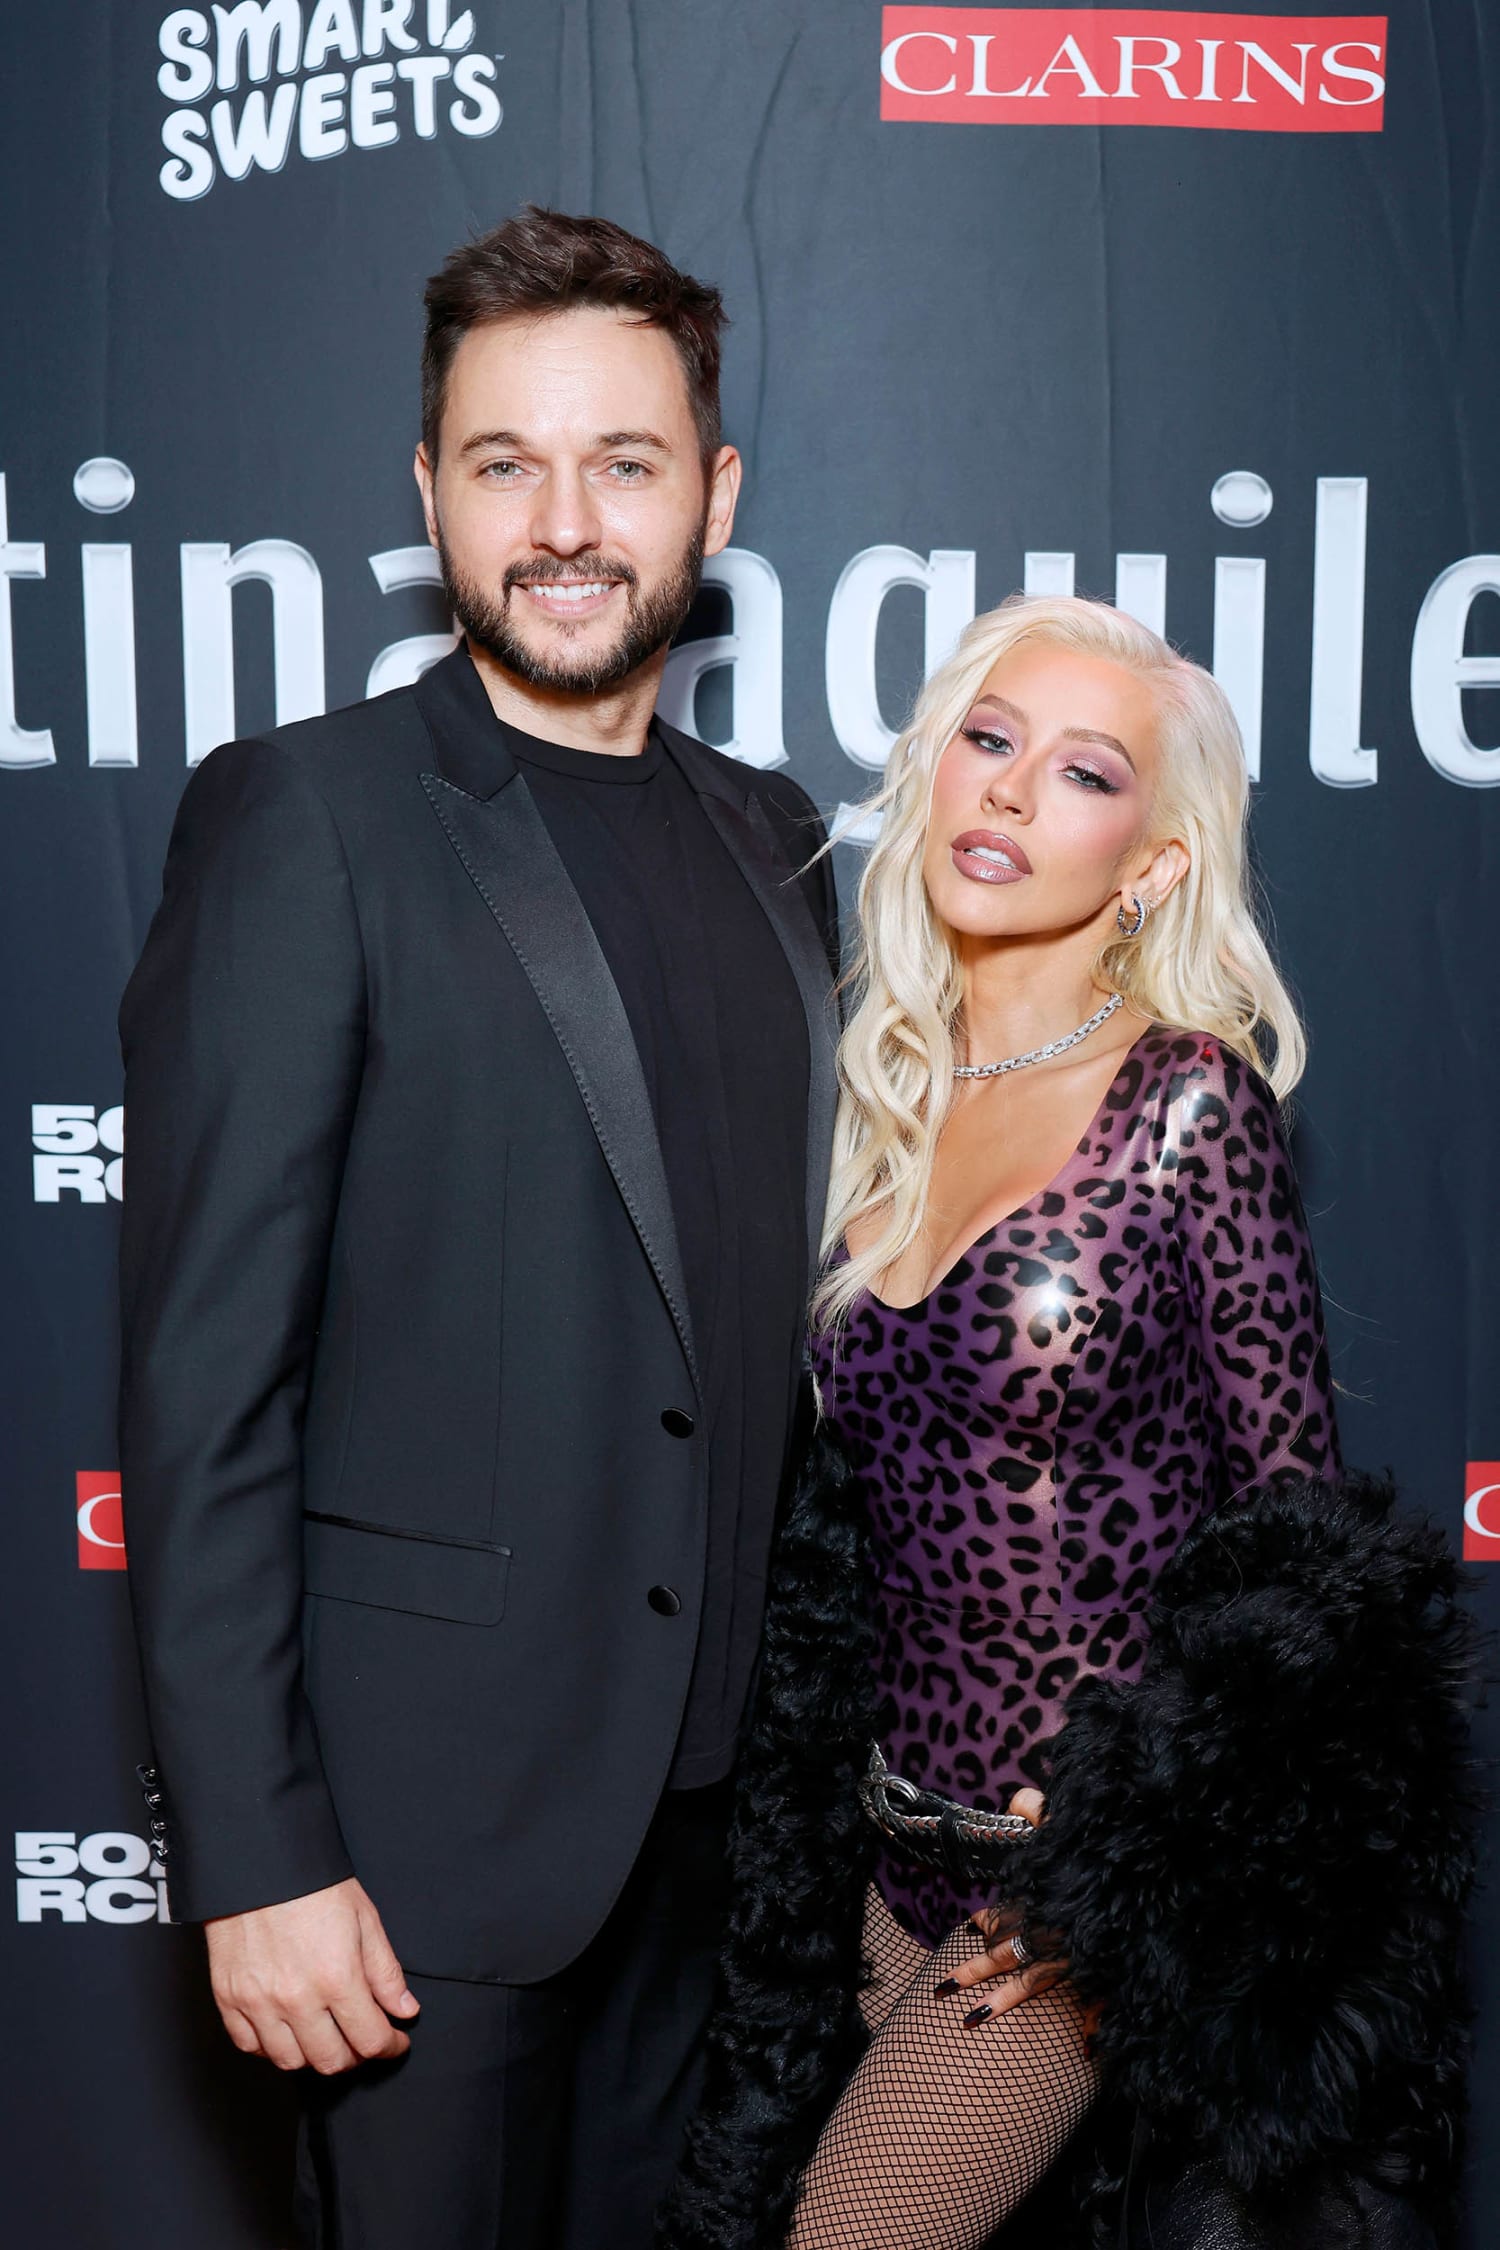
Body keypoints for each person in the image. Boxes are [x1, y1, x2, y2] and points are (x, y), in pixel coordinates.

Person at [117, 207, 839, 2250]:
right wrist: (257, 1853)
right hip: (414, 1867)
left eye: (625, 462)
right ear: (427, 488)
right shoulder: (307, 817)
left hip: (716, 1866)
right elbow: (204, 1386)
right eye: (507, 463)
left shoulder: (781, 840)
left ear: (715, 496)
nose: (566, 525)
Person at [668, 592, 1348, 2250]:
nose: (1013, 789)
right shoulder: (872, 1092)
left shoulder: (1189, 1102)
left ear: (1155, 862)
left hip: (1067, 1906)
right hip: (874, 1865)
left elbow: (1299, 1550)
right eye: (989, 738)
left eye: (1085, 771)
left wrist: (1137, 1841)